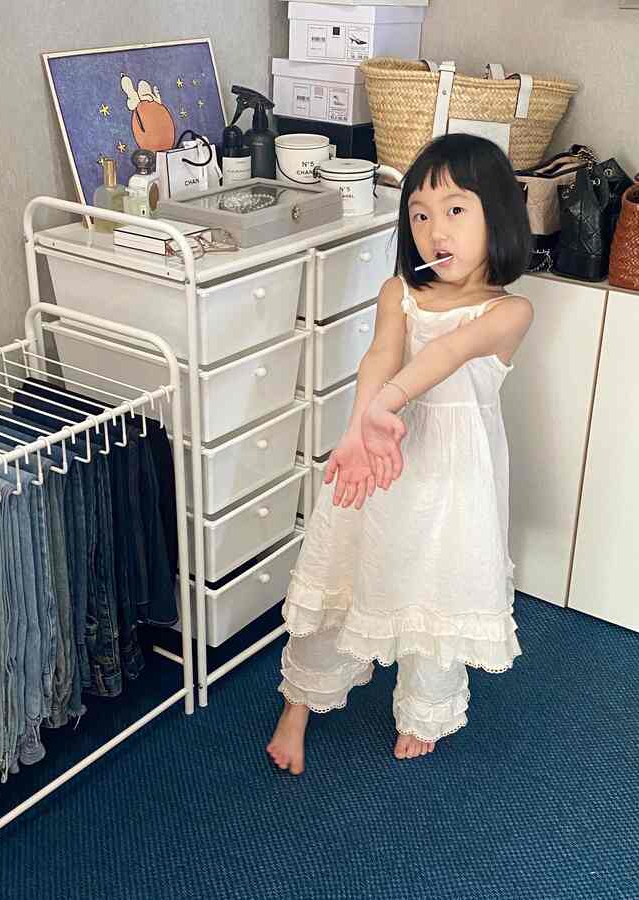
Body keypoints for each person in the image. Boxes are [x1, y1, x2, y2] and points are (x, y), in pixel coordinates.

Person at [267, 133, 534, 775]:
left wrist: (387, 404)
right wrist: (364, 424)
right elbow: (381, 355)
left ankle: (424, 708)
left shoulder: (509, 311)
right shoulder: (398, 292)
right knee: (343, 571)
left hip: (450, 480)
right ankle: (299, 703)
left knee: (432, 589)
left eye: (454, 209)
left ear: (496, 214)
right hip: (378, 461)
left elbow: (447, 354)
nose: (433, 229)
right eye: (419, 213)